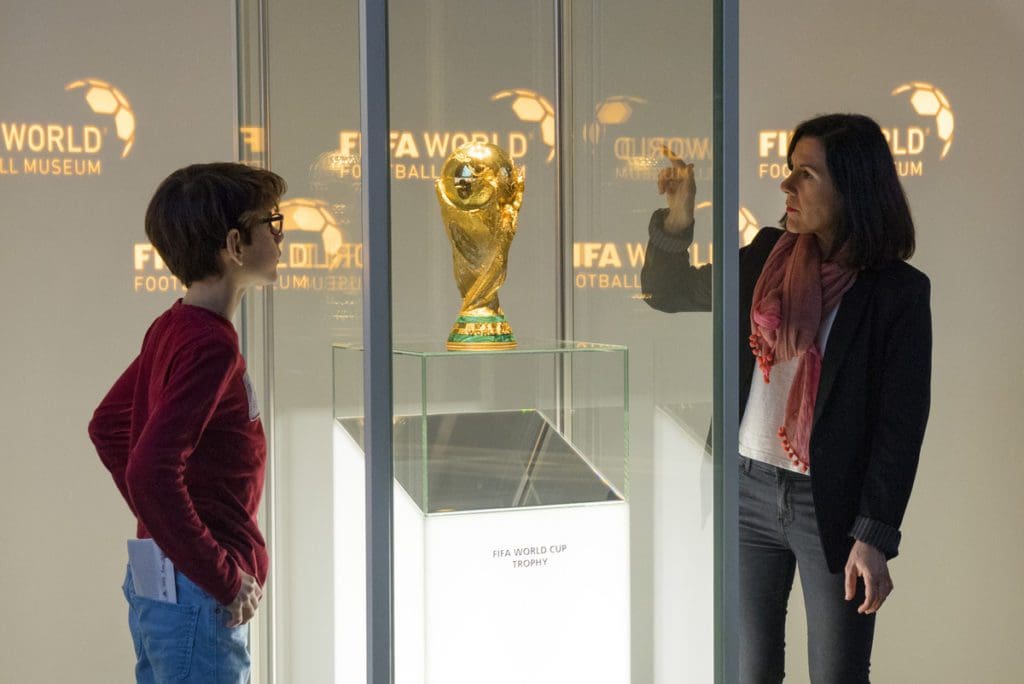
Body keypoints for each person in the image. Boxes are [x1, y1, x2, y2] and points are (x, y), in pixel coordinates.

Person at [642, 114, 931, 682]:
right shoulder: (768, 256)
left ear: (851, 187)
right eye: (788, 169)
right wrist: (679, 215)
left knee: (836, 673)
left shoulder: (897, 292)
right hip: (745, 493)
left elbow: (901, 426)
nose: (786, 185)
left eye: (806, 174)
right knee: (749, 671)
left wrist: (874, 535)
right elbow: (667, 291)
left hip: (830, 507)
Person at [88, 162, 287, 683]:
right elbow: (149, 470)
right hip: (197, 595)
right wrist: (220, 576)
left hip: (168, 584)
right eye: (272, 223)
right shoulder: (210, 344)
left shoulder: (174, 326)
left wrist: (166, 529)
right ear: (235, 245)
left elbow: (109, 427)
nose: (280, 235)